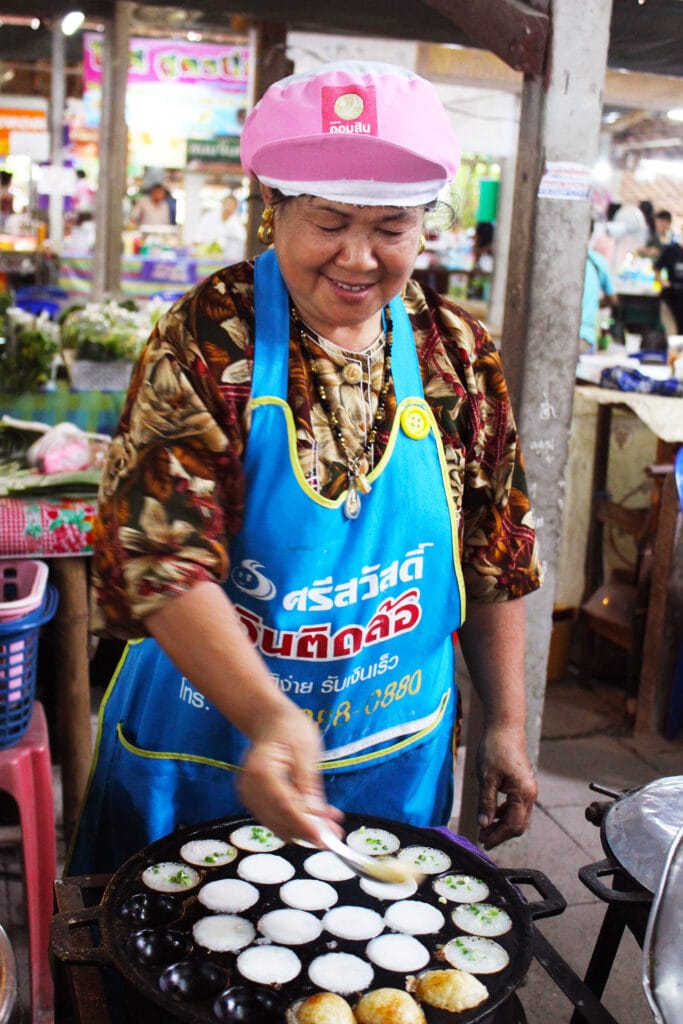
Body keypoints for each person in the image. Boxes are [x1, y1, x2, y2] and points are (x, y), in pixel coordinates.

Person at [68, 61, 541, 876]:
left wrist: (503, 721)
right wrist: (267, 716)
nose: (357, 258)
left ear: (425, 228)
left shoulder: (456, 355)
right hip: (204, 755)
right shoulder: (209, 340)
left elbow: (496, 547)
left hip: (391, 757)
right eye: (329, 222)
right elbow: (159, 559)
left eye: (390, 229)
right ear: (273, 211)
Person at [580, 226, 617, 352]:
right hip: (585, 335)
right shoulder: (597, 261)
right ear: (590, 235)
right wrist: (594, 304)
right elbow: (613, 299)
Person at [192, 192, 246, 263]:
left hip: (229, 260)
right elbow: (198, 236)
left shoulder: (237, 224)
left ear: (235, 207)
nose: (228, 207)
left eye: (232, 205)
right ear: (223, 204)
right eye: (227, 203)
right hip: (206, 258)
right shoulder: (209, 217)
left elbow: (242, 239)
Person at [655, 236, 683, 334]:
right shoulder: (671, 250)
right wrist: (662, 282)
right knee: (674, 338)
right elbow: (656, 267)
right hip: (670, 298)